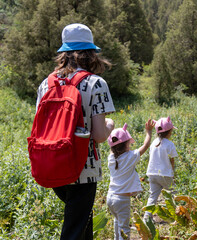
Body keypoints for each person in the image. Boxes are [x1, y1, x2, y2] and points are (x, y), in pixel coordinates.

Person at [36, 23, 115, 240]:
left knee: (83, 222)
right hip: (84, 168)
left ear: (64, 51)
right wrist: (110, 124)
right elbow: (99, 135)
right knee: (74, 229)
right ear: (91, 52)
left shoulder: (46, 84)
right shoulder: (95, 83)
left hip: (52, 165)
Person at [106, 120, 154, 240]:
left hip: (110, 197)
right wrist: (148, 132)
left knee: (117, 222)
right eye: (129, 143)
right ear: (126, 144)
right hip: (122, 200)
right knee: (125, 229)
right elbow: (146, 145)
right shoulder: (130, 157)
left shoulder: (111, 158)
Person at [144, 117, 178, 221]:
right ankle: (175, 215)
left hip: (152, 173)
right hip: (165, 174)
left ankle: (147, 217)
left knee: (153, 195)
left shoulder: (154, 142)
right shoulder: (170, 144)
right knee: (173, 193)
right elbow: (172, 160)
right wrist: (172, 172)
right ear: (170, 132)